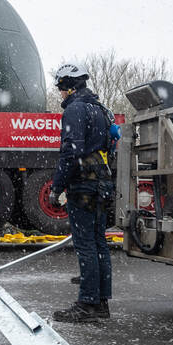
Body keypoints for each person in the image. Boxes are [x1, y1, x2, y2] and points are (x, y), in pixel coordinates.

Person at [49, 62, 118, 323]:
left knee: (86, 244)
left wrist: (57, 186)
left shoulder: (75, 110)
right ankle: (101, 303)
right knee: (99, 242)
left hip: (84, 184)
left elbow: (70, 151)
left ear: (67, 86)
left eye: (60, 88)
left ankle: (87, 304)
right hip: (101, 182)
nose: (60, 94)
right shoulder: (99, 109)